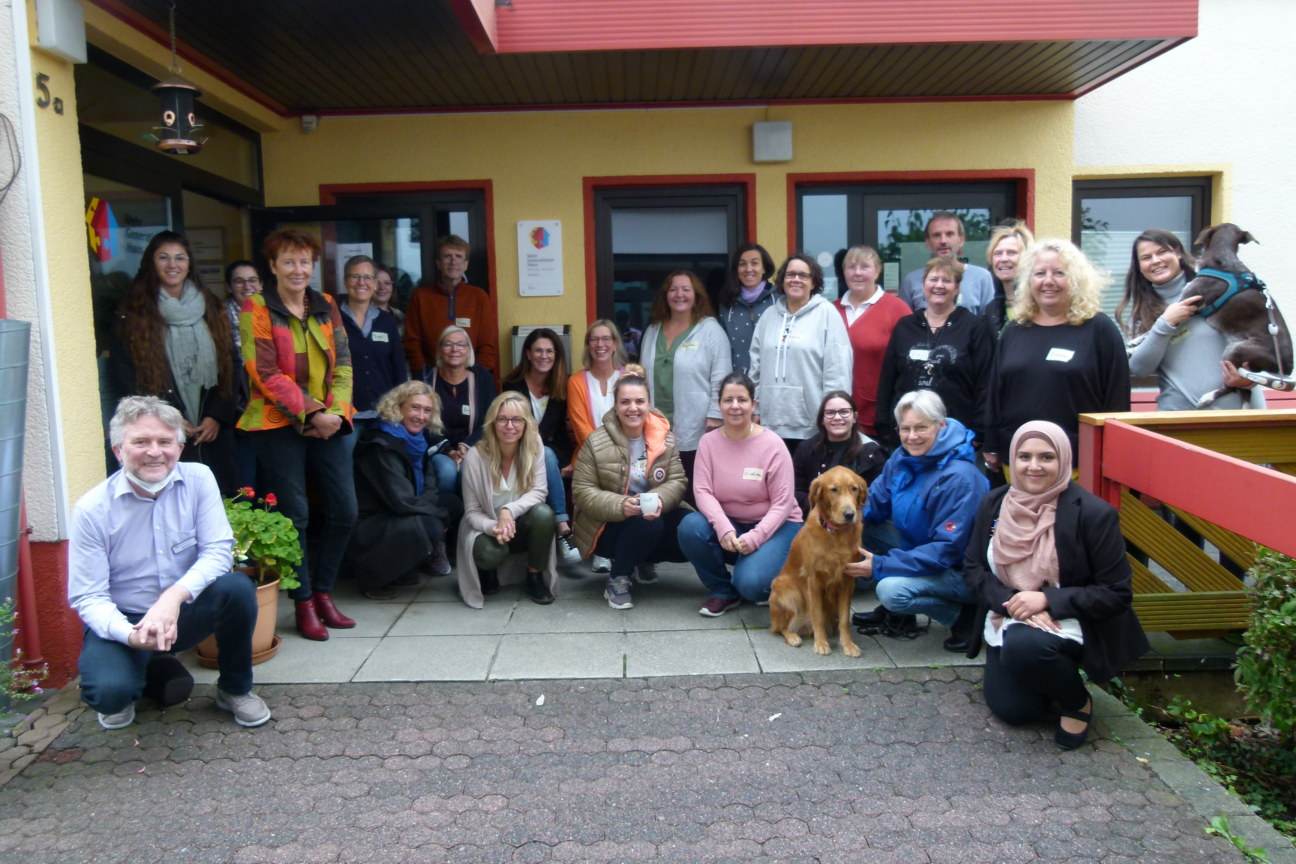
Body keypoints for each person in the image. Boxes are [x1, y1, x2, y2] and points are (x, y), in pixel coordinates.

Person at [68, 396, 271, 730]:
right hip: (126, 619)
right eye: (140, 442)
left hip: (183, 612)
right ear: (118, 450)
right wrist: (131, 636)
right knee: (108, 694)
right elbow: (88, 596)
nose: (154, 452)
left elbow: (218, 551)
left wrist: (173, 598)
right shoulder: (92, 510)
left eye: (165, 442)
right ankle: (144, 666)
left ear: (179, 447)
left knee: (236, 588)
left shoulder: (199, 479)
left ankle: (234, 690)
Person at [963, 420, 1149, 749]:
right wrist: (1014, 601)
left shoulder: (1093, 514)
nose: (1033, 466)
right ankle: (1043, 675)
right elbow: (973, 568)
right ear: (1012, 459)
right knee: (1014, 710)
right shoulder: (994, 503)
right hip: (1010, 613)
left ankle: (1077, 701)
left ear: (1063, 460)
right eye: (1024, 456)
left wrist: (1047, 599)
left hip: (1072, 620)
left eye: (1046, 457)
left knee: (1025, 647)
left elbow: (1116, 593)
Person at [237, 228, 356, 642]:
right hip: (276, 422)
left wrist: (335, 412)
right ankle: (302, 601)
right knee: (296, 515)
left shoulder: (326, 304)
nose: (298, 269)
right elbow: (264, 371)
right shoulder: (256, 307)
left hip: (328, 420)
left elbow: (344, 363)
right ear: (272, 266)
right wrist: (312, 411)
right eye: (288, 261)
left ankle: (324, 592)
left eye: (304, 261)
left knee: (345, 509)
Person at [850, 390, 988, 651]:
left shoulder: (960, 477)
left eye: (921, 427)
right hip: (919, 548)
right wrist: (836, 522)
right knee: (856, 527)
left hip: (959, 570)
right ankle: (901, 614)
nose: (911, 436)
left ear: (941, 425)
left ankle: (963, 616)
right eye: (905, 428)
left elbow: (946, 550)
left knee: (892, 591)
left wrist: (881, 565)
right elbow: (874, 501)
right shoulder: (903, 457)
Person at [983, 239, 1131, 473]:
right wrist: (991, 443)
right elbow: (995, 391)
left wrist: (1112, 452)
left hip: (1078, 461)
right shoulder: (1014, 330)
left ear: (1076, 279)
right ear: (1029, 280)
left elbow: (1117, 397)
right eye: (1040, 273)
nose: (1048, 281)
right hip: (1019, 458)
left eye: (1059, 273)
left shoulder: (1099, 329)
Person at [111, 231, 240, 495]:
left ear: (189, 264)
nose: (173, 265)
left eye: (180, 258)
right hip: (159, 433)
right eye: (164, 257)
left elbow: (231, 363)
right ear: (151, 262)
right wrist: (166, 418)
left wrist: (216, 415)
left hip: (210, 430)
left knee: (217, 500)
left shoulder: (212, 307)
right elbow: (125, 375)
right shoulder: (133, 313)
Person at [678, 372, 804, 615]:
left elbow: (783, 503)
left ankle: (780, 572)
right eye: (728, 400)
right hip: (733, 524)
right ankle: (723, 591)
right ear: (719, 405)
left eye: (742, 400)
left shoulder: (773, 445)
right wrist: (723, 526)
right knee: (690, 526)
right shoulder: (708, 442)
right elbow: (702, 491)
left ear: (753, 404)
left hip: (778, 526)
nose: (735, 406)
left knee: (751, 586)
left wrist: (756, 536)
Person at [572, 365, 689, 609]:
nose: (632, 408)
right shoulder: (596, 441)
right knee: (647, 523)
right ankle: (618, 578)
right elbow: (582, 491)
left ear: (649, 404)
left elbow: (677, 481)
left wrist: (657, 499)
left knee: (692, 527)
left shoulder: (665, 437)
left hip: (650, 516)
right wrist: (621, 505)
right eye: (625, 402)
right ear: (615, 406)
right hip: (606, 525)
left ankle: (642, 558)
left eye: (639, 401)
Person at [1120, 228, 1261, 411]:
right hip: (1177, 417)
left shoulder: (1220, 292)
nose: (1155, 260)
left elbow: (1257, 345)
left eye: (1162, 252)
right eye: (1146, 258)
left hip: (1236, 414)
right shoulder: (1141, 314)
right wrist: (1165, 324)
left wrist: (1248, 379)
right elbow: (1140, 369)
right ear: (1139, 266)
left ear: (1178, 252)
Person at [349, 381, 462, 598]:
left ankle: (402, 568)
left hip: (399, 512)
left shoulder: (417, 441)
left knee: (453, 504)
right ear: (398, 407)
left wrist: (439, 511)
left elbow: (430, 485)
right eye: (415, 408)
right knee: (432, 525)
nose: (421, 416)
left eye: (427, 410)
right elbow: (400, 501)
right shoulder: (381, 444)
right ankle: (375, 579)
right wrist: (438, 515)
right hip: (372, 524)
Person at [875, 257, 993, 449]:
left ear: (957, 288)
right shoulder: (905, 326)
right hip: (908, 434)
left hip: (955, 435)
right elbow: (888, 377)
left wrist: (980, 430)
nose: (939, 285)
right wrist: (883, 423)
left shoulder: (973, 327)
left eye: (946, 280)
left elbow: (984, 383)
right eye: (933, 279)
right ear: (923, 286)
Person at [455, 392, 559, 608]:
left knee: (543, 514)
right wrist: (493, 527)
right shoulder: (475, 456)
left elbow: (539, 491)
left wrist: (509, 510)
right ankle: (487, 570)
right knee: (490, 553)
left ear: (526, 423)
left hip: (519, 522)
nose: (509, 426)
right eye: (502, 419)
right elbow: (472, 511)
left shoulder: (535, 446)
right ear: (492, 423)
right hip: (485, 527)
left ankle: (534, 576)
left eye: (517, 419)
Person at [748, 254, 853, 453]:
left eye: (803, 275)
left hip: (813, 427)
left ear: (813, 282)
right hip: (770, 424)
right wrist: (756, 408)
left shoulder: (827, 314)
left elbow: (838, 371)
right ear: (782, 280)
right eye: (791, 274)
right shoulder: (768, 317)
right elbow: (756, 369)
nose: (796, 279)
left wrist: (833, 415)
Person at [640, 270, 732, 486]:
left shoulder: (710, 330)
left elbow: (722, 378)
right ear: (665, 295)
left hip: (697, 425)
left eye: (686, 289)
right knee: (659, 486)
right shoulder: (653, 330)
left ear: (696, 295)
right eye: (673, 289)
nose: (679, 294)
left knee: (692, 486)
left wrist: (716, 414)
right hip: (655, 425)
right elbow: (642, 375)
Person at [503, 327, 581, 563]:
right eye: (538, 350)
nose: (544, 356)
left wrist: (569, 460)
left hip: (554, 452)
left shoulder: (563, 385)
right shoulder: (512, 385)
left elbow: (558, 431)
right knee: (544, 453)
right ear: (528, 353)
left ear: (556, 355)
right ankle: (563, 527)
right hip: (518, 452)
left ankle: (560, 529)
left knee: (546, 454)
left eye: (549, 351)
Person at [834, 244, 909, 437]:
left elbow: (907, 367)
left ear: (877, 271)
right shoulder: (830, 311)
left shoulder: (897, 310)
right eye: (851, 267)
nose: (857, 273)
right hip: (836, 416)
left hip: (879, 417)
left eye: (864, 267)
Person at [404, 234, 499, 380]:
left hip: (471, 378)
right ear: (438, 263)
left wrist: (475, 376)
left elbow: (488, 345)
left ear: (466, 264)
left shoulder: (479, 297)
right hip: (430, 378)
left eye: (459, 256)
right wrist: (424, 374)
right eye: (447, 256)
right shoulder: (420, 297)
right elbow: (412, 342)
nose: (453, 261)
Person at [339, 255, 408, 452]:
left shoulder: (386, 321)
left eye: (367, 277)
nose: (361, 282)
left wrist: (399, 407)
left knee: (382, 467)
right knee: (346, 468)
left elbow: (398, 367)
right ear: (345, 281)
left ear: (375, 283)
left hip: (383, 415)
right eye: (355, 276)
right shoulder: (333, 318)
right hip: (345, 416)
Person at [426, 324, 498, 495]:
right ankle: (446, 511)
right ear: (440, 350)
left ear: (468, 350)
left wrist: (466, 446)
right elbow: (421, 421)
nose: (454, 349)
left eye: (460, 344)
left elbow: (490, 420)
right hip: (438, 448)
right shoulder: (426, 377)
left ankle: (470, 512)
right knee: (447, 471)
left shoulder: (482, 377)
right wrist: (448, 450)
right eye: (448, 344)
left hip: (474, 446)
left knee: (468, 469)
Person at [792, 391, 887, 518]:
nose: (837, 417)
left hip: (860, 520)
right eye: (830, 413)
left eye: (844, 412)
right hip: (815, 519)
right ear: (822, 419)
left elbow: (879, 496)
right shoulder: (806, 449)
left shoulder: (872, 452)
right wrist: (824, 511)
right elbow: (795, 491)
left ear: (855, 417)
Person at [896, 212, 996, 316]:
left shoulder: (981, 277)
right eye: (937, 235)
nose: (943, 241)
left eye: (949, 234)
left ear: (961, 240)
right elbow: (906, 323)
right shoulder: (911, 281)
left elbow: (989, 321)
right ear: (928, 242)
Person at [717, 243, 777, 376]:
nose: (748, 269)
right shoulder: (726, 303)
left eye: (754, 263)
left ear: (764, 268)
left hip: (772, 379)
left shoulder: (779, 300)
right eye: (742, 264)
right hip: (737, 380)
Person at [982, 221, 1035, 341]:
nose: (1003, 259)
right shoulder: (991, 310)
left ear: (1028, 258)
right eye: (998, 253)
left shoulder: (1039, 305)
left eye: (1012, 253)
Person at [223, 260, 263, 356]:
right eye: (239, 281)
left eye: (252, 280)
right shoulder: (219, 316)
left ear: (261, 285)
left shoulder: (272, 311)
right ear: (228, 287)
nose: (247, 287)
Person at [373, 264, 405, 329]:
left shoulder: (400, 317)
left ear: (393, 287)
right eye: (377, 283)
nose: (382, 287)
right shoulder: (360, 316)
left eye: (387, 283)